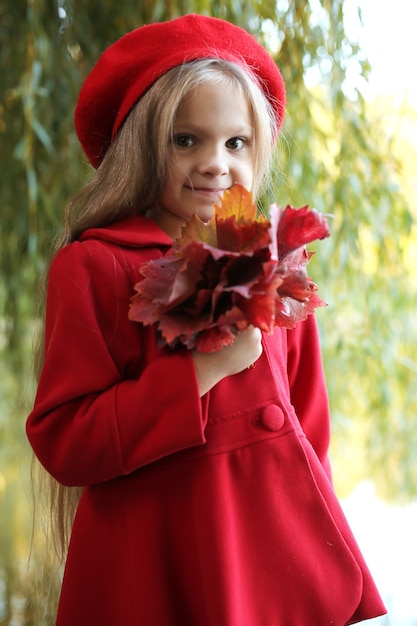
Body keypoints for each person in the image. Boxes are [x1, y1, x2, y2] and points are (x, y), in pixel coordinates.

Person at [26, 14, 387, 626]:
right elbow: (65, 439)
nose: (215, 163)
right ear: (143, 145)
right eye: (186, 140)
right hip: (155, 568)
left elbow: (310, 439)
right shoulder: (93, 267)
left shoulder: (276, 269)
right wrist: (199, 373)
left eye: (236, 143)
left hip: (270, 567)